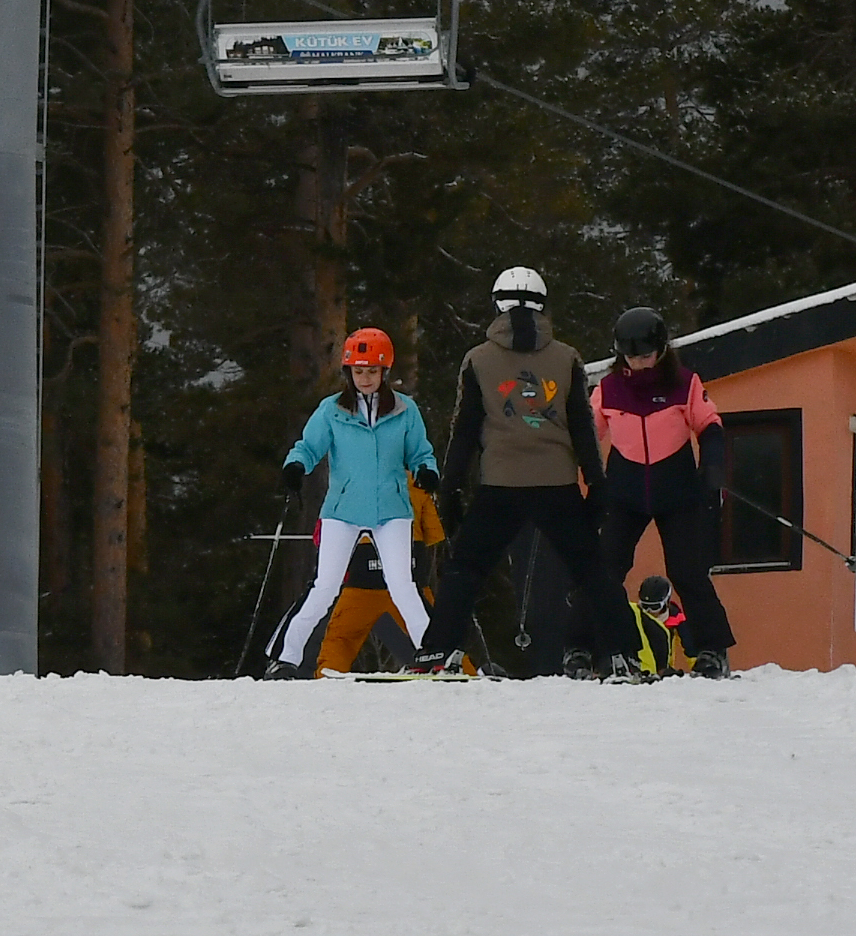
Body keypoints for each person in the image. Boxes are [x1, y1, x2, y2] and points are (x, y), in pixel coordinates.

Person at [408, 267, 636, 679]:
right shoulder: (566, 358)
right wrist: (597, 484)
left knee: (465, 569)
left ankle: (439, 652)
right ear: (542, 304)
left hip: (500, 484)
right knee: (591, 570)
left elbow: (464, 431)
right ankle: (624, 654)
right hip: (557, 483)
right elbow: (582, 427)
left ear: (496, 303)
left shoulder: (478, 359)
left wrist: (451, 490)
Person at [263, 328, 441, 677]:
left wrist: (427, 471)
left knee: (403, 585)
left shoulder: (406, 411)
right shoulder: (332, 410)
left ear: (384, 372)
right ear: (348, 373)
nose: (365, 378)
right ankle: (284, 658)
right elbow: (308, 446)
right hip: (342, 511)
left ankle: (434, 654)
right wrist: (295, 466)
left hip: (391, 510)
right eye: (358, 371)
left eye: (372, 371)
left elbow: (421, 452)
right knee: (325, 586)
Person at [592, 306, 734, 679]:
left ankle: (711, 649)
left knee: (688, 572)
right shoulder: (608, 389)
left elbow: (710, 426)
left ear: (662, 350)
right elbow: (587, 435)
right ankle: (603, 648)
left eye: (645, 355)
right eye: (630, 356)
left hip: (677, 490)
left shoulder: (684, 383)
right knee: (605, 569)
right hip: (625, 489)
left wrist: (713, 470)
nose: (638, 363)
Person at [313, 469, 447, 675]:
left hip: (363, 580)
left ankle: (328, 672)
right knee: (435, 635)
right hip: (410, 580)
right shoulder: (415, 484)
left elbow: (324, 536)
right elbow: (435, 535)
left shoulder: (349, 483)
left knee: (342, 637)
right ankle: (463, 672)